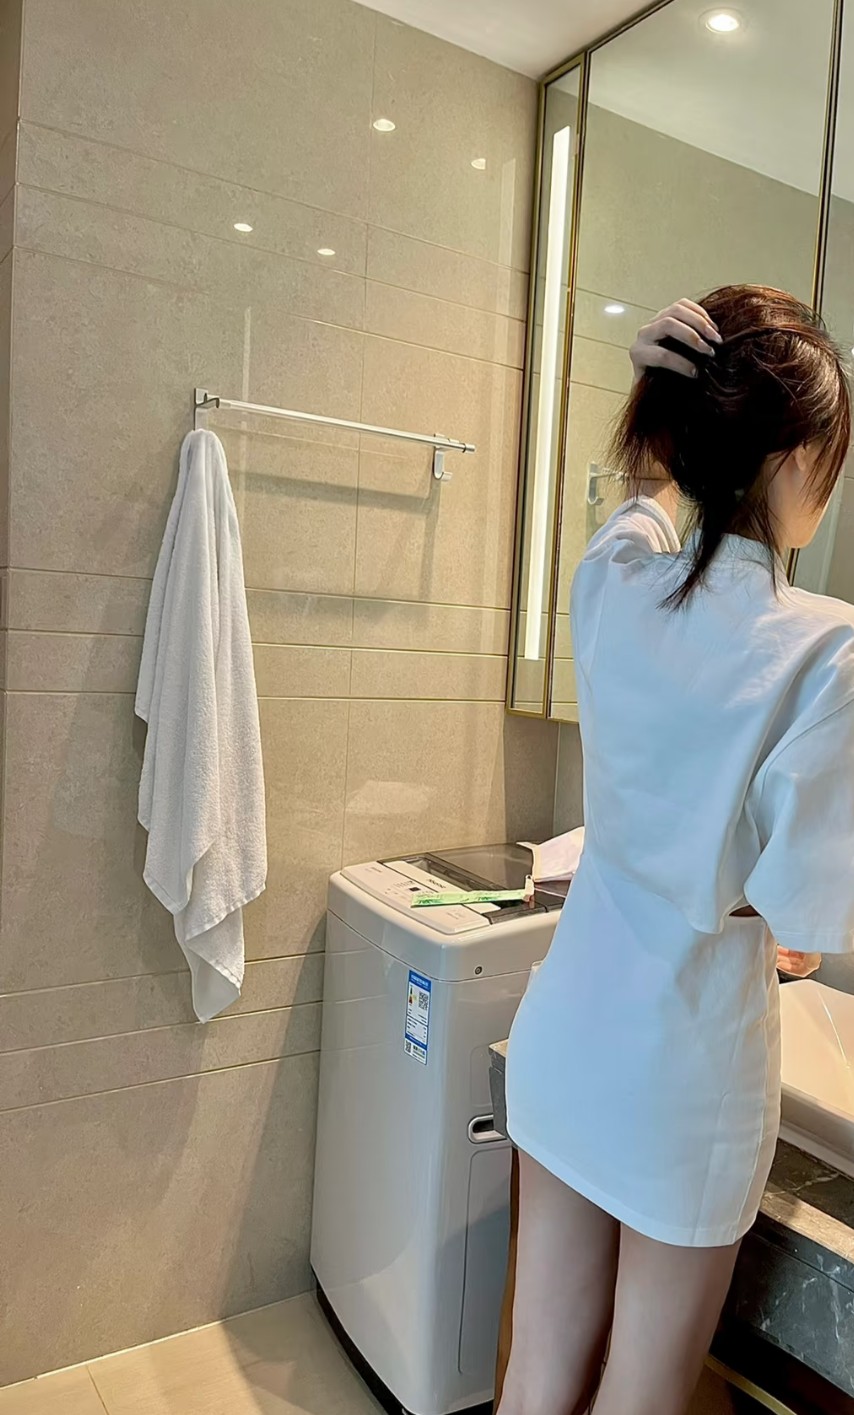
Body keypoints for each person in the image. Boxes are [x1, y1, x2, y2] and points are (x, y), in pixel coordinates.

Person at [500, 287, 853, 1415]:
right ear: (795, 457)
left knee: (536, 1372)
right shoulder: (828, 649)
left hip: (565, 1032)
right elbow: (802, 917)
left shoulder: (615, 577)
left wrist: (658, 408)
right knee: (642, 1392)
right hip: (683, 1076)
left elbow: (649, 508)